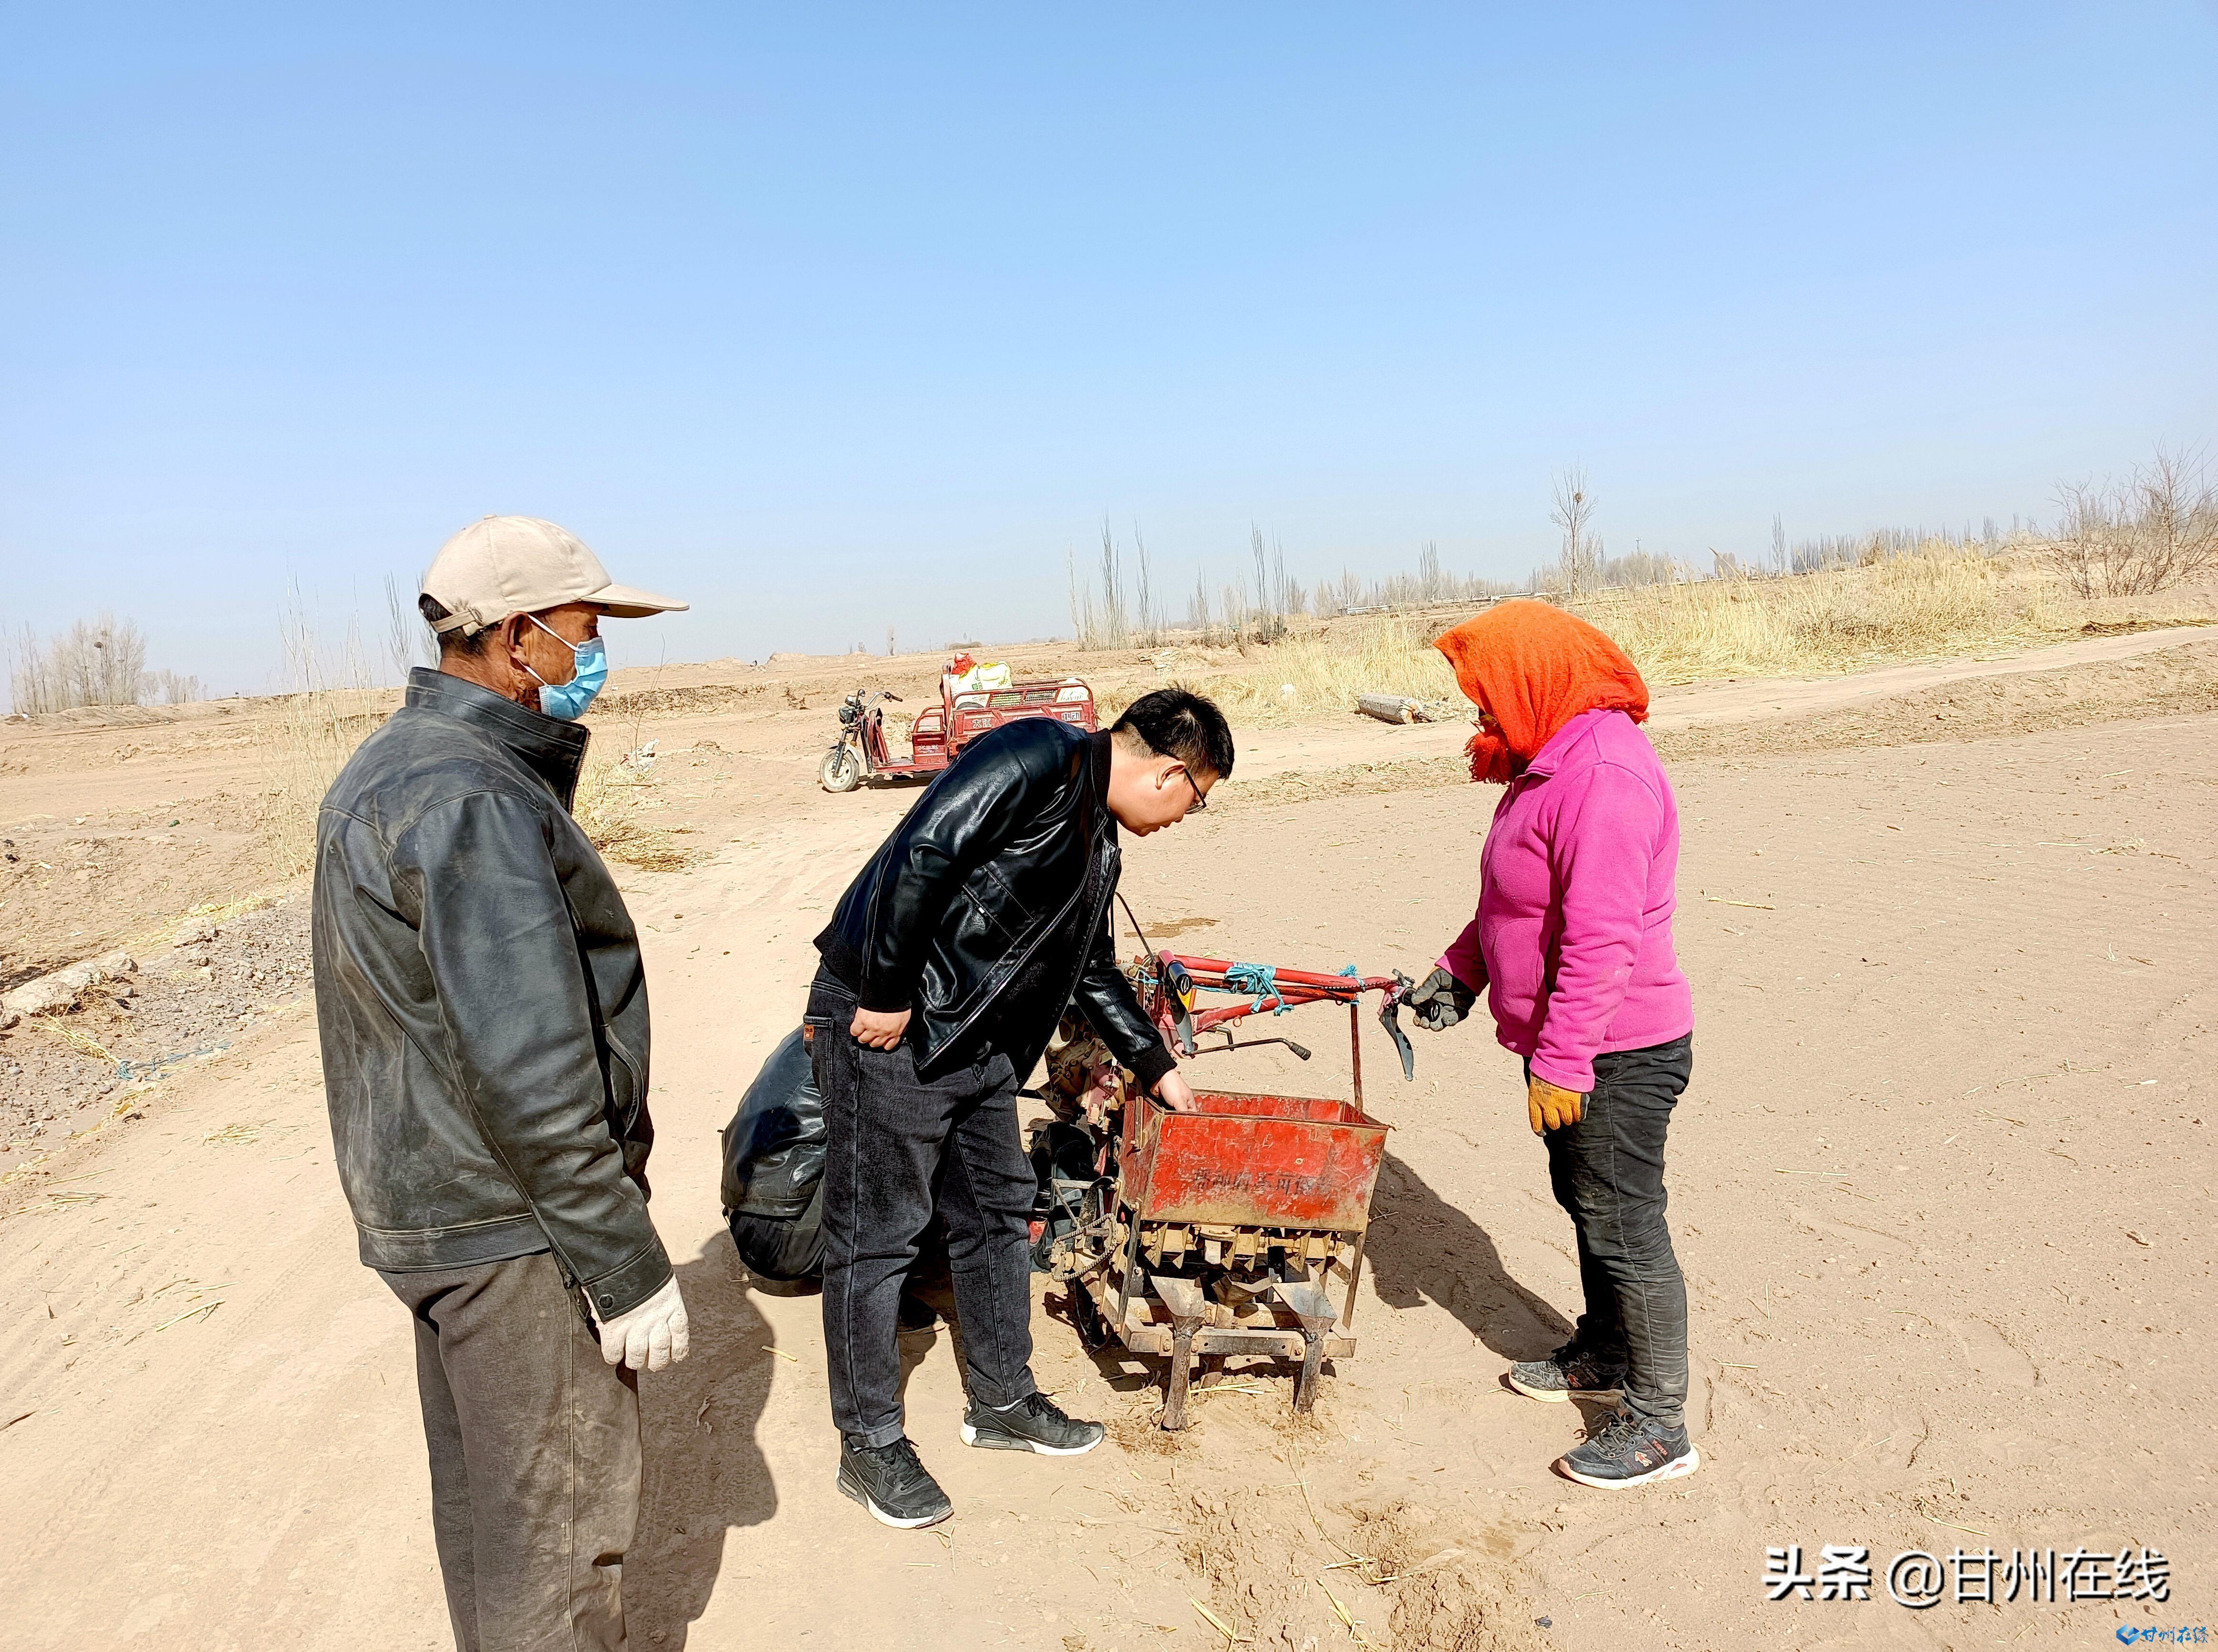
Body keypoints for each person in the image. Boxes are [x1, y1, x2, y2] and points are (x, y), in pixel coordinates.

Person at [312, 515, 694, 1649]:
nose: (595, 654)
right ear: (518, 638)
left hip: (437, 1218)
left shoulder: (397, 768)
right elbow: (527, 1066)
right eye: (585, 631)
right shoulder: (472, 795)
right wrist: (621, 1263)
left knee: (492, 1522)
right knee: (558, 1536)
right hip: (512, 1230)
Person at [808, 687, 1233, 1528]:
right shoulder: (1037, 755)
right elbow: (922, 853)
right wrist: (889, 990)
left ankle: (1002, 1400)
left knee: (999, 1212)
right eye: (1200, 798)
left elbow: (1091, 966)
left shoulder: (1096, 839)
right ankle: (868, 1444)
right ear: (1171, 773)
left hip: (974, 1042)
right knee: (876, 1233)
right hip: (890, 1025)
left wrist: (1156, 1067)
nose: (1190, 815)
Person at [1405, 600, 1698, 1490]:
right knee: (1588, 1202)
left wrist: (1566, 1062)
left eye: (1488, 700)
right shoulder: (1551, 763)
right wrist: (1461, 972)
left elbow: (1601, 940)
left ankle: (1658, 1423)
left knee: (1623, 1223)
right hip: (1576, 1046)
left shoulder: (1605, 777)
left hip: (1617, 1050)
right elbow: (1518, 903)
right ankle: (1605, 1353)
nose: (1480, 719)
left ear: (1541, 678)